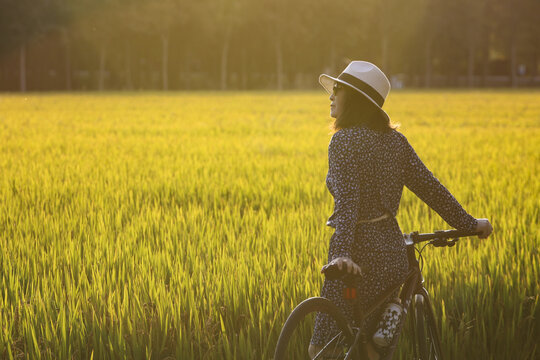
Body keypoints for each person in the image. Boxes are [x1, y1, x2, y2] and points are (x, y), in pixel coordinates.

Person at [308, 61, 493, 360]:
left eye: (337, 90)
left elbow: (348, 204)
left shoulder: (342, 141)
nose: (330, 96)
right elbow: (431, 189)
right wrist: (470, 223)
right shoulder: (396, 142)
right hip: (391, 256)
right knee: (371, 350)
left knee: (321, 349)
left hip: (354, 253)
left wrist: (342, 254)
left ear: (354, 98)